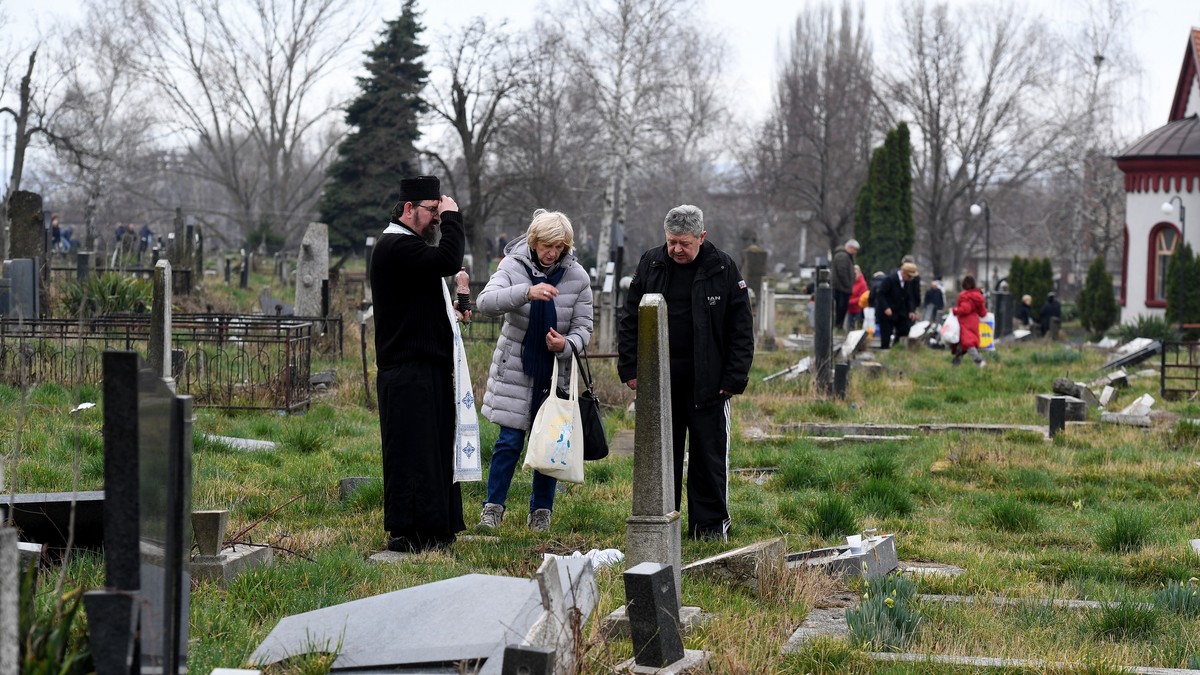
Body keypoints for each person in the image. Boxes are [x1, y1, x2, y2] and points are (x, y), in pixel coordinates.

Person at [617, 204, 754, 541]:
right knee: (663, 457)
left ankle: (708, 528)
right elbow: (629, 318)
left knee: (708, 457)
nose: (676, 249)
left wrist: (733, 379)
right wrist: (630, 368)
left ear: (702, 237)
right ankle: (664, 522)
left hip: (709, 383)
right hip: (659, 382)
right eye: (671, 242)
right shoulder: (651, 262)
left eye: (684, 243)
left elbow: (741, 328)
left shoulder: (722, 267)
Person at [370, 174, 479, 554]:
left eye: (439, 211)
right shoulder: (393, 246)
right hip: (405, 371)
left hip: (426, 368)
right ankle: (407, 532)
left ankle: (436, 529)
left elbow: (416, 305)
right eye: (431, 211)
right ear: (408, 209)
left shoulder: (409, 247)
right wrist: (454, 217)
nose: (436, 219)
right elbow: (447, 259)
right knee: (410, 454)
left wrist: (451, 313)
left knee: (434, 452)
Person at [476, 210, 593, 533]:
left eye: (559, 246)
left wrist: (565, 344)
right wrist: (527, 292)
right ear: (533, 241)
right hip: (515, 369)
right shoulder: (513, 267)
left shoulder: (577, 277)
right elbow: (485, 302)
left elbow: (584, 328)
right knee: (509, 442)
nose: (552, 253)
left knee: (550, 444)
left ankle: (541, 511)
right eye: (546, 245)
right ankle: (493, 507)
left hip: (555, 372)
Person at [877, 262, 919, 349]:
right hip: (887, 312)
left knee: (904, 329)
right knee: (886, 336)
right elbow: (881, 294)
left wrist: (911, 310)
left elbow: (909, 298)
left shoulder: (907, 282)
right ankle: (884, 351)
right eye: (909, 276)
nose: (910, 278)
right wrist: (886, 307)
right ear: (904, 273)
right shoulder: (890, 279)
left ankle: (896, 349)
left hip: (900, 311)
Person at [951, 275, 988, 367]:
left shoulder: (965, 295)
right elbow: (983, 313)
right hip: (974, 321)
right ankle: (955, 364)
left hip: (965, 321)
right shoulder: (978, 296)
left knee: (968, 342)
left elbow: (965, 309)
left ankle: (979, 361)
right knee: (962, 343)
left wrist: (954, 310)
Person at [831, 238, 859, 331]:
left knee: (842, 308)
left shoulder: (845, 256)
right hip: (841, 288)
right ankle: (838, 326)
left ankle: (839, 326)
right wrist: (848, 285)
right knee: (841, 308)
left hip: (843, 288)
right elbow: (842, 272)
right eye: (855, 249)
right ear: (850, 247)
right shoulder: (842, 256)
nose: (855, 252)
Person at [848, 265, 867, 330]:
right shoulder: (850, 282)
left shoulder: (862, 283)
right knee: (850, 328)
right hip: (850, 309)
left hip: (858, 309)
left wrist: (851, 301)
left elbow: (862, 297)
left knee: (857, 328)